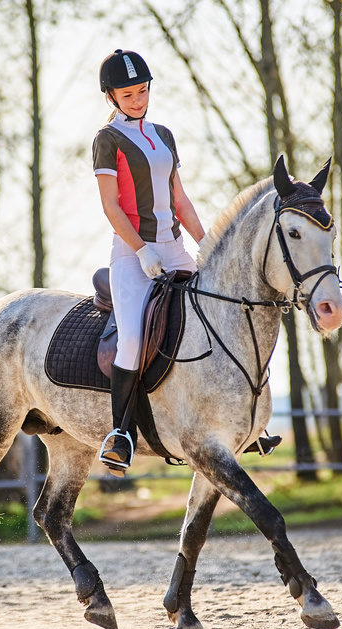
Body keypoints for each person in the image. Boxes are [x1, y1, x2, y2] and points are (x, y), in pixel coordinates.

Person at [92, 49, 205, 476]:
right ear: (112, 97)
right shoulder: (108, 140)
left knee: (221, 307)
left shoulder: (164, 135)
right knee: (132, 341)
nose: (138, 99)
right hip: (130, 252)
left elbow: (180, 200)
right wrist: (141, 249)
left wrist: (207, 243)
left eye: (142, 91)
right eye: (128, 93)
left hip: (173, 246)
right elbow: (110, 207)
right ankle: (120, 434)